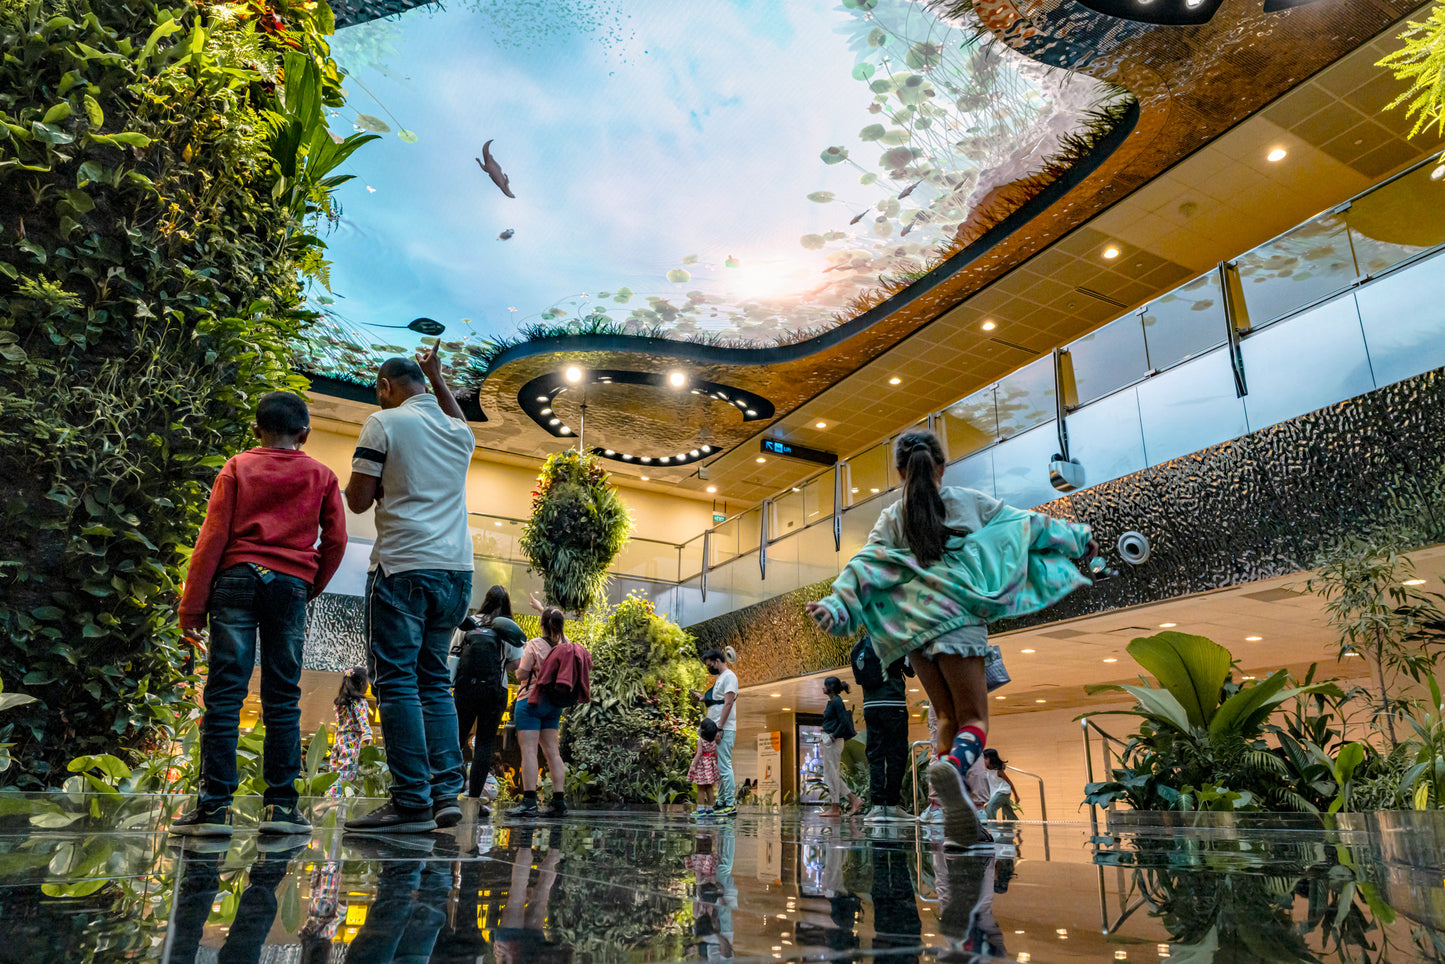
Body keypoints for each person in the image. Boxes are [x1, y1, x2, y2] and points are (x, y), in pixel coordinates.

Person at [807, 430, 1095, 847]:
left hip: (913, 630)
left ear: (899, 472)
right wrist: (1076, 538)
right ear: (942, 465)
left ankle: (949, 807)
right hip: (958, 619)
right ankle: (955, 768)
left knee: (945, 716)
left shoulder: (892, 517)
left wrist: (836, 603)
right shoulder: (967, 501)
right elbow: (1025, 526)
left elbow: (864, 563)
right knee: (973, 719)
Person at [172, 391, 348, 837]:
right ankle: (281, 809)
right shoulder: (322, 475)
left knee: (224, 695)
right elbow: (337, 541)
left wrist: (192, 608)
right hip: (289, 586)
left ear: (256, 429)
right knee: (283, 696)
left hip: (235, 580)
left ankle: (214, 809)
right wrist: (307, 584)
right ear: (304, 434)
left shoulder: (237, 467)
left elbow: (212, 537)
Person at [344, 344, 476, 835]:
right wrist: (438, 376)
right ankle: (445, 794)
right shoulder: (459, 433)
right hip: (457, 572)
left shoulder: (383, 423)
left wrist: (379, 485)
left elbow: (358, 501)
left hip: (403, 566)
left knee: (397, 681)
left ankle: (411, 800)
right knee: (434, 680)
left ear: (385, 387)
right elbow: (459, 419)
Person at [454, 585, 526, 814]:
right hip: (495, 691)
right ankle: (474, 798)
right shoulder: (507, 627)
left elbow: (454, 651)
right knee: (485, 743)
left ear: (486, 600)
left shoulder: (471, 622)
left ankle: (449, 791)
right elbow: (517, 664)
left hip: (466, 688)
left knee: (457, 739)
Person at [509, 606, 569, 818]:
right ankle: (559, 801)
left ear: (542, 625)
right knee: (553, 751)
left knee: (529, 751)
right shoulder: (566, 645)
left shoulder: (534, 644)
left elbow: (521, 674)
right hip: (554, 703)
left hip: (531, 701)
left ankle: (529, 801)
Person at [850, 635, 913, 823]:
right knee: (896, 754)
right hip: (893, 703)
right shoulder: (895, 639)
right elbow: (911, 669)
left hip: (870, 705)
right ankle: (892, 805)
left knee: (875, 755)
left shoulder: (861, 645)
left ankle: (877, 806)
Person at [692, 647, 739, 816]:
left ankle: (730, 803)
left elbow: (728, 703)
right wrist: (703, 698)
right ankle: (722, 801)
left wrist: (719, 728)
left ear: (717, 661)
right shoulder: (721, 678)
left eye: (710, 665)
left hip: (723, 729)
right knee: (719, 767)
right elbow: (718, 700)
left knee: (724, 765)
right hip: (715, 730)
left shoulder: (730, 677)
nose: (709, 668)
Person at [818, 676, 865, 817]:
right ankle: (851, 800)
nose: (823, 688)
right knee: (829, 774)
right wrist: (826, 729)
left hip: (833, 741)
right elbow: (835, 721)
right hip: (831, 739)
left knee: (832, 774)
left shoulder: (837, 701)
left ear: (830, 688)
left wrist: (833, 735)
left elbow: (843, 721)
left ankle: (837, 806)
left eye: (825, 685)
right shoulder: (833, 701)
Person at [325, 666, 373, 799]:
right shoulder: (360, 702)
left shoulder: (341, 703)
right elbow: (363, 718)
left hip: (339, 739)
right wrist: (367, 735)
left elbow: (339, 722)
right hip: (351, 740)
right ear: (362, 684)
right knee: (346, 772)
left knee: (334, 771)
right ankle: (335, 800)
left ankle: (328, 798)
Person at [689, 718, 722, 818]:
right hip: (711, 765)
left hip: (702, 765)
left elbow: (699, 753)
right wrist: (715, 764)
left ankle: (700, 809)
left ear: (703, 730)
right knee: (709, 788)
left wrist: (693, 764)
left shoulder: (701, 741)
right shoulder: (713, 742)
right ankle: (710, 809)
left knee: (700, 788)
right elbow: (716, 754)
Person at [979, 748, 1020, 820]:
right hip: (998, 793)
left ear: (990, 759)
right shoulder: (986, 770)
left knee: (990, 807)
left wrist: (1016, 796)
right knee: (1008, 811)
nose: (983, 761)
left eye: (985, 759)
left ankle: (993, 825)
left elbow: (1009, 782)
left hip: (1003, 792)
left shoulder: (998, 771)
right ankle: (1015, 822)